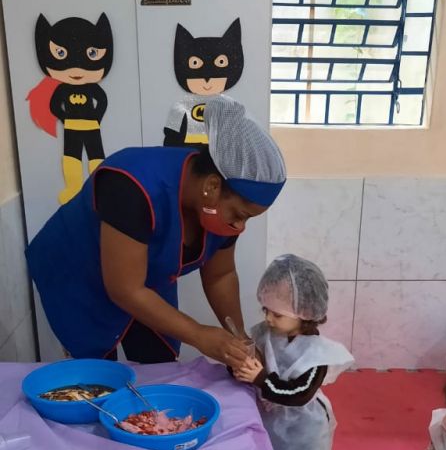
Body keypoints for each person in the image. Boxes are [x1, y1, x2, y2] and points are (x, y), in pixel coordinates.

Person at [25, 98, 286, 365]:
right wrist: (199, 335)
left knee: (160, 360)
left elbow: (221, 275)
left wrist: (239, 337)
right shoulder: (132, 186)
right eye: (240, 215)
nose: (240, 227)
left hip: (145, 281)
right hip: (80, 273)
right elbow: (126, 290)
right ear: (211, 187)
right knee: (97, 371)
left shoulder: (220, 208)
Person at [234, 254, 354, 450]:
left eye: (277, 314)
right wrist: (240, 364)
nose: (268, 318)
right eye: (265, 310)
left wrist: (260, 378)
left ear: (305, 314)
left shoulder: (317, 355)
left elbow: (299, 394)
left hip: (304, 428)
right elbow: (254, 359)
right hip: (272, 418)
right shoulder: (266, 333)